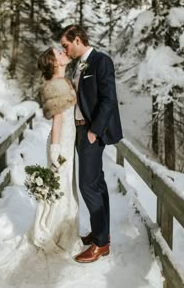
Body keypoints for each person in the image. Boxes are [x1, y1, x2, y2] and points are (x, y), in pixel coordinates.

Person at [59, 24, 123, 263]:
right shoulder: (78, 65)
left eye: (65, 45)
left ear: (77, 40)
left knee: (87, 186)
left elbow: (109, 99)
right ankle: (101, 234)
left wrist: (94, 131)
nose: (64, 49)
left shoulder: (101, 61)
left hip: (90, 131)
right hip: (79, 131)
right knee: (97, 183)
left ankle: (100, 245)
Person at [32, 46, 83, 256]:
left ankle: (64, 229)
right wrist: (55, 149)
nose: (64, 53)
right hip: (60, 142)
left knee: (67, 185)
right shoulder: (55, 85)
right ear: (54, 63)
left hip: (68, 141)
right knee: (60, 187)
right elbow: (58, 120)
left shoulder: (65, 81)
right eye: (59, 54)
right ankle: (55, 232)